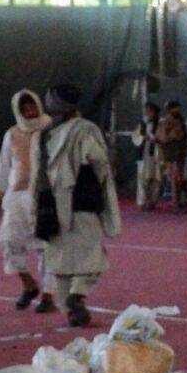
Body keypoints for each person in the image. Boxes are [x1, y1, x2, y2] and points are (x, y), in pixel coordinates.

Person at [36, 84, 120, 328]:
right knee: (91, 254)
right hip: (83, 199)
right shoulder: (86, 129)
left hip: (52, 203)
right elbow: (98, 159)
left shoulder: (47, 134)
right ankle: (78, 294)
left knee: (60, 258)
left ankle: (69, 308)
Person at [0, 90, 55, 312]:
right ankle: (28, 284)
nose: (29, 111)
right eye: (24, 108)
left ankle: (48, 295)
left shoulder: (51, 128)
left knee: (47, 247)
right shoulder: (12, 133)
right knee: (8, 240)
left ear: (38, 105)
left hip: (45, 194)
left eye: (31, 106)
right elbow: (4, 165)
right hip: (16, 196)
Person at [155, 100, 187, 210]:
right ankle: (175, 202)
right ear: (170, 109)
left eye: (178, 107)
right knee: (174, 178)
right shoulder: (166, 121)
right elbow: (161, 137)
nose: (177, 110)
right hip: (171, 153)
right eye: (174, 108)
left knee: (180, 177)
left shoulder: (180, 119)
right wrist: (173, 135)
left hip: (180, 152)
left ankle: (180, 200)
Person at [132, 102, 161, 211]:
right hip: (143, 155)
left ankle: (153, 201)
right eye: (146, 110)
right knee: (142, 178)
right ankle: (142, 202)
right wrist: (143, 138)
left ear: (154, 112)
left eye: (149, 111)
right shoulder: (142, 124)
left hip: (156, 155)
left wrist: (154, 139)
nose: (146, 113)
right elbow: (136, 136)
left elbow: (162, 137)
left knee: (157, 179)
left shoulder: (160, 123)